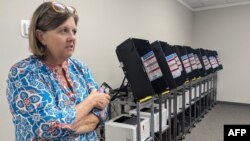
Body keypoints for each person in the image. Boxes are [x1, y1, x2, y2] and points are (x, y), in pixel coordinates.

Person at [6, 1, 110, 140]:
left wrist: (68, 127)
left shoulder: (79, 67)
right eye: (63, 30)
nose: (72, 37)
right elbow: (49, 127)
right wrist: (91, 101)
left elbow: (102, 111)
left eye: (74, 31)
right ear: (41, 36)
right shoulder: (23, 73)